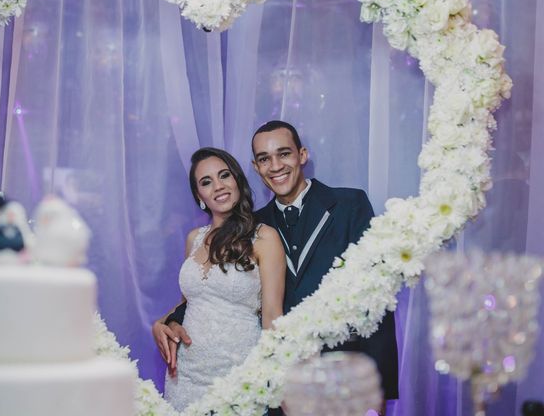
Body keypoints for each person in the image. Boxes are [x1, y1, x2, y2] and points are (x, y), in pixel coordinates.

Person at [155, 121, 399, 414]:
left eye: (284, 154)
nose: (275, 166)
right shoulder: (252, 226)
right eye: (264, 159)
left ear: (302, 155)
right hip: (279, 385)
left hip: (345, 375)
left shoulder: (349, 205)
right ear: (255, 168)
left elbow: (377, 297)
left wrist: (378, 391)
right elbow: (206, 296)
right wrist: (164, 322)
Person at [154, 147, 285, 412]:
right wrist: (160, 324)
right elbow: (190, 302)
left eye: (224, 175)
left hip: (238, 376)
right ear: (199, 196)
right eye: (206, 182)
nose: (218, 186)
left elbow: (273, 316)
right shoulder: (194, 238)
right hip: (185, 378)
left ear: (237, 180)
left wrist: (277, 384)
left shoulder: (263, 237)